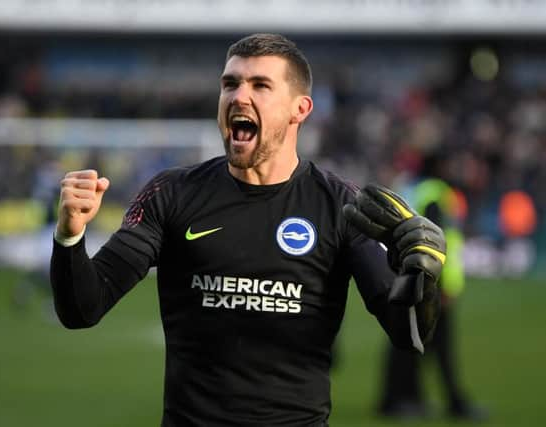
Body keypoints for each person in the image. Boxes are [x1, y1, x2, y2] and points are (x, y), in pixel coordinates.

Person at [50, 33, 446, 427]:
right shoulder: (170, 193)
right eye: (230, 83)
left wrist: (420, 273)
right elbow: (83, 309)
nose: (239, 96)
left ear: (300, 109)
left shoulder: (341, 205)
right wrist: (70, 235)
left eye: (260, 85)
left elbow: (408, 332)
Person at [377, 156, 487, 421]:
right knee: (437, 346)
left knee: (408, 341)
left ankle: (400, 400)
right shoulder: (438, 194)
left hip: (406, 274)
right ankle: (451, 403)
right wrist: (439, 284)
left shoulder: (412, 191)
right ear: (440, 167)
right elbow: (434, 242)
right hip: (430, 281)